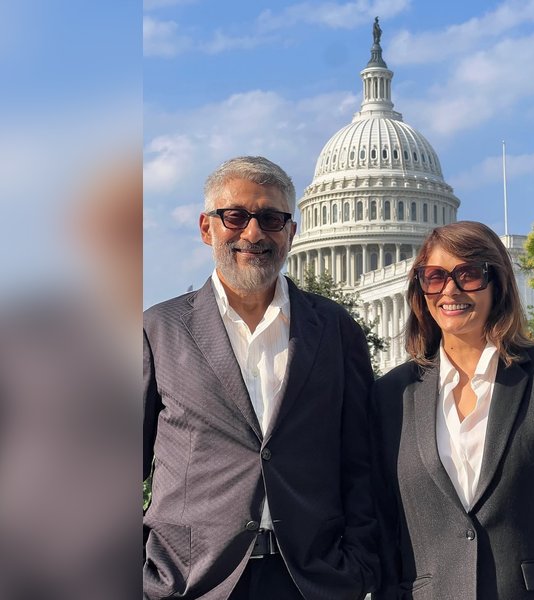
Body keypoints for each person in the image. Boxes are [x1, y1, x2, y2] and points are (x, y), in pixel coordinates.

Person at [143, 156, 379, 599]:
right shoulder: (158, 329)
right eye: (235, 216)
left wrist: (360, 566)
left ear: (291, 232)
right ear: (206, 227)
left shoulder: (334, 329)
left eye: (270, 218)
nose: (253, 233)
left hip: (310, 579)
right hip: (192, 582)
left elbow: (360, 461)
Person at [371, 221, 534, 600]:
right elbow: (382, 524)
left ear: (498, 283)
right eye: (434, 277)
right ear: (420, 290)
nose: (450, 290)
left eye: (469, 274)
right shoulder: (392, 395)